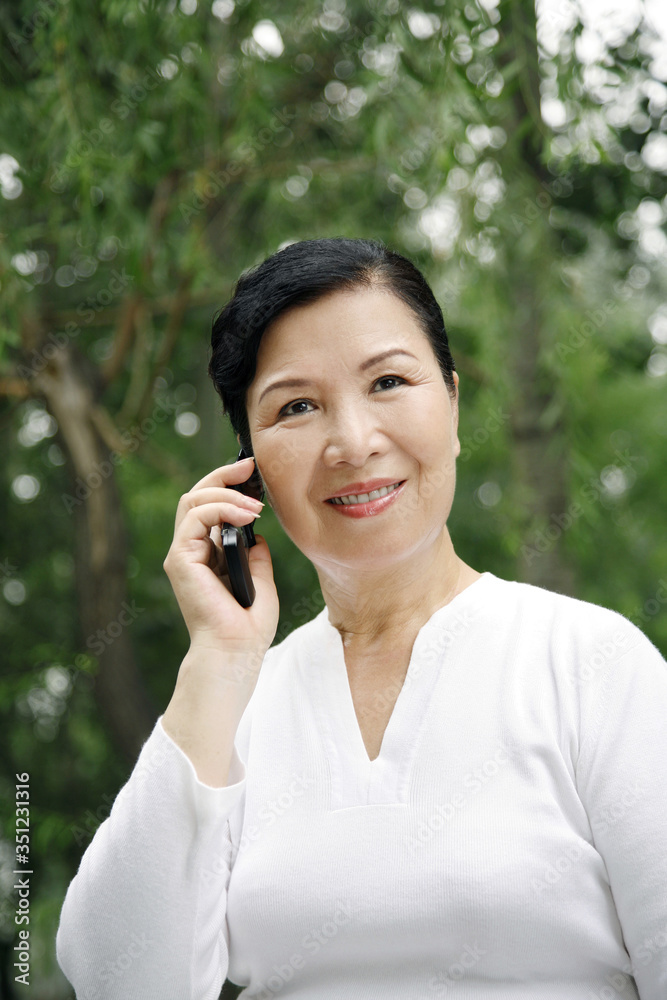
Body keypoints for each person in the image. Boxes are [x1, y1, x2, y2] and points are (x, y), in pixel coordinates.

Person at [56, 237, 667, 1000]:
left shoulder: (590, 663)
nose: (352, 442)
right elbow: (117, 978)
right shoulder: (232, 709)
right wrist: (219, 660)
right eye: (297, 407)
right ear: (249, 468)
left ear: (450, 401)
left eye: (386, 381)